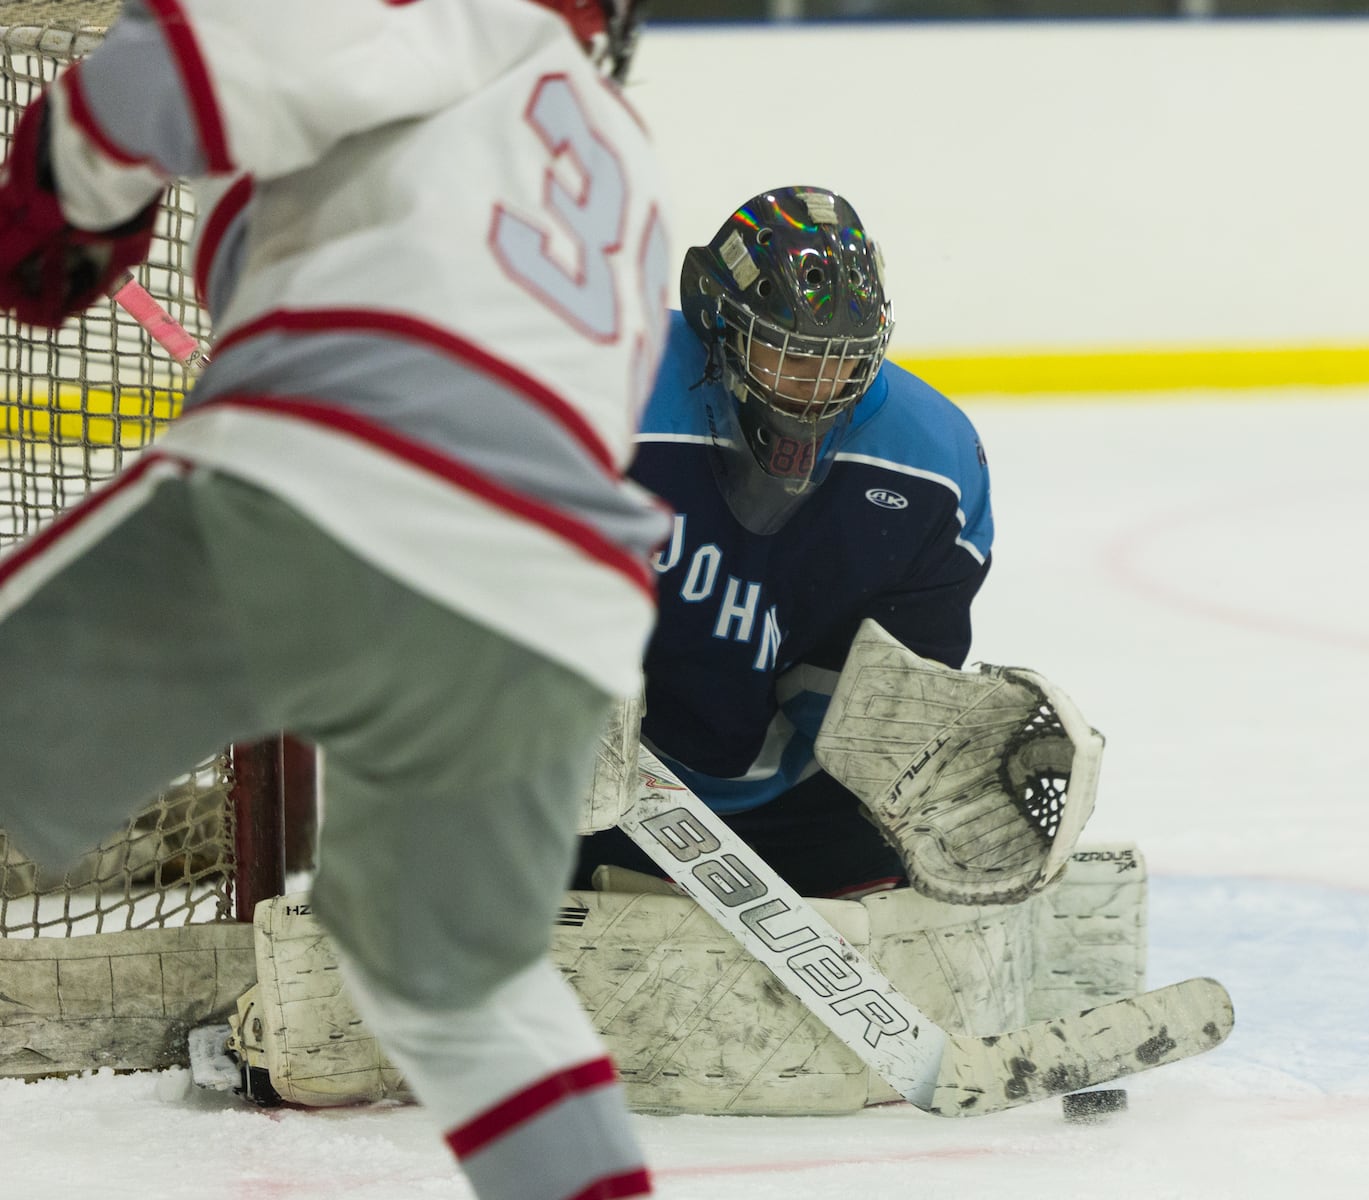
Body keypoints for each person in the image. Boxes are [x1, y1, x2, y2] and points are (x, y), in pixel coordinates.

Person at [0, 3, 664, 1197]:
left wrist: (67, 181)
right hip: (555, 604)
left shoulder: (441, 14)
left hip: (333, 488)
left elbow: (163, 78)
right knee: (454, 989)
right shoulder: (618, 150)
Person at [573, 186, 995, 900]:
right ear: (718, 322)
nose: (821, 385)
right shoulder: (607, 387)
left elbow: (889, 696)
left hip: (791, 808)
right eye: (792, 354)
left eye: (845, 360)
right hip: (585, 777)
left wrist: (922, 762)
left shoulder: (936, 463)